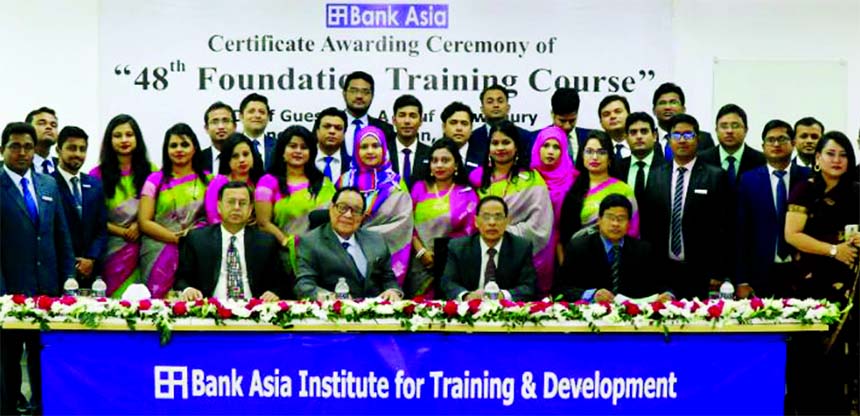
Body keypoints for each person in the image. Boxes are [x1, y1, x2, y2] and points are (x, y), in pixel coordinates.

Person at [0, 122, 74, 415]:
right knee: (7, 364)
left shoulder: (48, 184)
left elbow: (61, 237)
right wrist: (2, 295)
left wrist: (68, 279)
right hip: (8, 295)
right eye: (15, 146)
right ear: (2, 149)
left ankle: (41, 408)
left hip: (48, 293)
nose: (22, 153)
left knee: (44, 359)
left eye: (28, 147)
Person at [784, 131, 858, 415]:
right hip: (810, 285)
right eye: (830, 153)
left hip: (850, 285)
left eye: (843, 155)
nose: (837, 160)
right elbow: (792, 235)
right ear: (817, 158)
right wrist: (832, 250)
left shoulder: (856, 191)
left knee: (844, 361)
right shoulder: (806, 189)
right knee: (808, 357)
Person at [638, 114, 730, 300]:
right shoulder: (655, 175)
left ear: (698, 139)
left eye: (688, 135)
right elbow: (648, 225)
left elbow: (724, 228)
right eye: (676, 135)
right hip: (662, 269)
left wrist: (718, 271)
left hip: (702, 272)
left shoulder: (715, 176)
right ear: (669, 139)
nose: (682, 140)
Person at [468, 120, 553, 296]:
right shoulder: (476, 178)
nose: (500, 147)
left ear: (516, 147)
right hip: (480, 257)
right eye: (495, 143)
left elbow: (540, 226)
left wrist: (502, 234)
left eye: (506, 142)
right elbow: (466, 219)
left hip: (518, 260)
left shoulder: (531, 179)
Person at [734, 120, 810, 298]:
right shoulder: (748, 180)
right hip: (760, 273)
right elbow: (740, 232)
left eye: (782, 139)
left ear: (793, 144)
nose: (776, 144)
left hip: (801, 271)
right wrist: (741, 280)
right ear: (763, 146)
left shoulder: (808, 178)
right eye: (771, 140)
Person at [176, 181, 288, 301]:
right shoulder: (198, 238)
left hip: (254, 311)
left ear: (250, 209)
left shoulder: (266, 242)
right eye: (230, 202)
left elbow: (280, 283)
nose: (236, 207)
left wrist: (272, 292)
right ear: (219, 206)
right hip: (210, 309)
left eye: (242, 203)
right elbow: (181, 279)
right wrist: (188, 289)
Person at [335, 125, 413, 286]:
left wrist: (362, 236)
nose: (370, 151)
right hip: (345, 252)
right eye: (364, 147)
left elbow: (403, 224)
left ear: (384, 149)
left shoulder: (396, 183)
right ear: (356, 151)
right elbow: (334, 215)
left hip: (383, 256)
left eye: (375, 146)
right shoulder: (344, 181)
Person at [139, 123, 210, 298]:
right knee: (157, 306)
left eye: (184, 145)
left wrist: (190, 238)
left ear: (194, 148)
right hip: (157, 251)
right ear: (166, 150)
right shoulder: (154, 180)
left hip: (195, 251)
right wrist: (175, 238)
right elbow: (144, 221)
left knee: (194, 303)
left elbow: (212, 220)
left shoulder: (209, 180)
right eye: (173, 145)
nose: (179, 150)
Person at [295, 186, 403, 301]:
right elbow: (304, 286)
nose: (348, 215)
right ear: (331, 208)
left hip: (375, 312)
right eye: (342, 208)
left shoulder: (376, 240)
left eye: (356, 211)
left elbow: (388, 278)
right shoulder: (310, 242)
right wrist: (330, 297)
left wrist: (393, 291)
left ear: (362, 216)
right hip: (334, 314)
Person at [89, 114, 154, 297]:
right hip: (112, 248)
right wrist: (122, 231)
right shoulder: (96, 175)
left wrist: (140, 225)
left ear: (137, 138)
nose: (124, 140)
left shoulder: (153, 172)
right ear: (109, 140)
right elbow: (94, 219)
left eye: (129, 134)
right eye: (117, 135)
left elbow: (160, 213)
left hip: (144, 247)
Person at [555, 194, 664, 302]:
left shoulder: (643, 250)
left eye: (621, 219)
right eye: (610, 218)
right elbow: (560, 289)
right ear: (599, 220)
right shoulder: (578, 247)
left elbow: (659, 284)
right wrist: (591, 294)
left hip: (632, 315)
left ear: (629, 223)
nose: (615, 224)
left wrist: (666, 295)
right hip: (591, 313)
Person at [256, 125, 336, 271]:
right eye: (292, 146)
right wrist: (288, 243)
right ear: (282, 151)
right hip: (282, 256)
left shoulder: (323, 182)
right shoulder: (268, 182)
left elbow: (334, 216)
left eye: (304, 147)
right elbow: (263, 223)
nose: (298, 151)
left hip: (321, 256)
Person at [407, 138, 478, 297]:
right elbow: (407, 224)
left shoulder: (467, 193)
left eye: (445, 160)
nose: (439, 165)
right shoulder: (419, 188)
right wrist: (421, 252)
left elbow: (471, 232)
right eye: (435, 160)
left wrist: (443, 256)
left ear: (456, 165)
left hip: (453, 265)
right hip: (419, 264)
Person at [440, 196, 536, 301]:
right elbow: (448, 282)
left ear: (507, 221)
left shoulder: (521, 247)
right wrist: (467, 296)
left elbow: (528, 286)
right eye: (486, 217)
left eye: (498, 217)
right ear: (476, 221)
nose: (492, 222)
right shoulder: (458, 247)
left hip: (506, 312)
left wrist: (503, 296)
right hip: (469, 310)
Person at [559, 130, 639, 250]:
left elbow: (633, 230)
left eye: (601, 152)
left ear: (609, 158)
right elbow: (564, 235)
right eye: (589, 152)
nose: (595, 157)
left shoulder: (623, 189)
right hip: (580, 256)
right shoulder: (573, 188)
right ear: (582, 156)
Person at [52, 126, 108, 286]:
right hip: (59, 270)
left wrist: (91, 259)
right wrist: (71, 262)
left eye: (82, 149)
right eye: (71, 148)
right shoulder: (47, 184)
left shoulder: (95, 185)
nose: (77, 153)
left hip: (92, 271)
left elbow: (101, 229)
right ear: (58, 150)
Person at [530, 125, 577, 297]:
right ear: (537, 148)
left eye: (556, 147)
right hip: (533, 246)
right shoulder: (527, 178)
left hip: (563, 248)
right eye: (546, 146)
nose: (550, 151)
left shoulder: (574, 179)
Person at [699, 103, 765, 187]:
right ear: (716, 130)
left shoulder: (762, 161)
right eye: (724, 126)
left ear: (745, 130)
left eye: (735, 126)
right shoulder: (701, 160)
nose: (729, 131)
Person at [203, 133, 264, 224]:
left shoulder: (260, 183)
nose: (242, 160)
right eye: (235, 156)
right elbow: (213, 217)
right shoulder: (218, 183)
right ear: (227, 160)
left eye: (246, 154)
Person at [470, 85, 535, 164]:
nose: (496, 105)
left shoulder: (526, 137)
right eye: (490, 102)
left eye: (500, 101)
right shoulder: (472, 138)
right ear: (482, 109)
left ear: (508, 108)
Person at [650, 82, 716, 160]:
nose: (667, 107)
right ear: (654, 110)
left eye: (673, 102)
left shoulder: (703, 139)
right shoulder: (647, 138)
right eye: (662, 103)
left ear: (683, 109)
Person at [341, 71, 396, 158]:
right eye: (354, 91)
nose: (359, 96)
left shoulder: (385, 129)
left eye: (365, 92)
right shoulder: (331, 125)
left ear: (372, 96)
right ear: (344, 94)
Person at [617, 112, 666, 203]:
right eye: (633, 132)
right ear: (626, 138)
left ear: (654, 136)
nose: (639, 136)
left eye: (644, 131)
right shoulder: (616, 168)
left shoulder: (667, 168)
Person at [389, 94, 431, 189]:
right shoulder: (383, 153)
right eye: (402, 115)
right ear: (394, 120)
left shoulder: (430, 154)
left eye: (412, 116)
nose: (407, 121)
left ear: (421, 121)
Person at [550, 87, 591, 164]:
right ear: (552, 115)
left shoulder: (590, 138)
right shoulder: (535, 139)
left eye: (572, 120)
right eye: (562, 121)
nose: (567, 126)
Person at [439, 101, 482, 172]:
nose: (459, 128)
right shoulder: (432, 155)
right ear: (444, 127)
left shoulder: (483, 157)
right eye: (453, 123)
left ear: (471, 128)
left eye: (464, 123)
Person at [239, 93, 276, 170]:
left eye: (262, 112)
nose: (257, 116)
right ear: (241, 116)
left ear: (268, 117)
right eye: (251, 111)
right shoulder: (231, 146)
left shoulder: (278, 146)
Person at [313, 107, 351, 182]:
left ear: (344, 135)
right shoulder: (304, 160)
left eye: (338, 128)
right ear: (317, 131)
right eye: (327, 126)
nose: (332, 131)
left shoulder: (352, 165)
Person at [200, 101, 237, 172]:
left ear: (234, 126)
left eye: (225, 121)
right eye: (215, 122)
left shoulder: (245, 158)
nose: (221, 127)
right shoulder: (197, 159)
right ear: (206, 128)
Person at [26, 106, 59, 174]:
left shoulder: (64, 166)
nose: (49, 127)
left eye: (53, 125)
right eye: (42, 123)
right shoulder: (14, 164)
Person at [598, 95, 631, 161]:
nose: (612, 116)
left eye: (618, 111)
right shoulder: (596, 151)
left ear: (629, 115)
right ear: (601, 122)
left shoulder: (642, 146)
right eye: (606, 114)